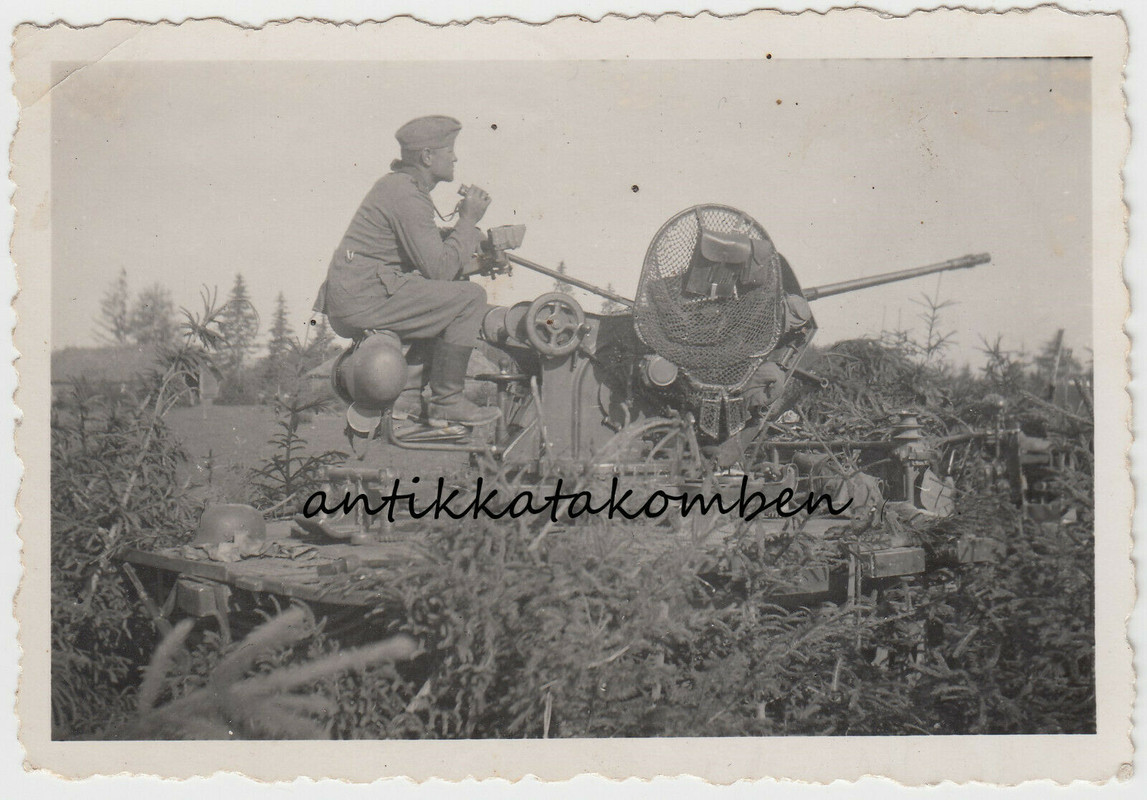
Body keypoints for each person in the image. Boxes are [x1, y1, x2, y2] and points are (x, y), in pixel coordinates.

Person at [315, 115, 499, 427]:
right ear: (427, 156)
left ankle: (408, 395)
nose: (454, 157)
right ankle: (448, 401)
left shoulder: (401, 189)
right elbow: (440, 269)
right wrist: (468, 220)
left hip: (359, 295)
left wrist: (479, 257)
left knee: (444, 301)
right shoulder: (406, 194)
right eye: (448, 150)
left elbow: (434, 264)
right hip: (364, 297)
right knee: (470, 298)